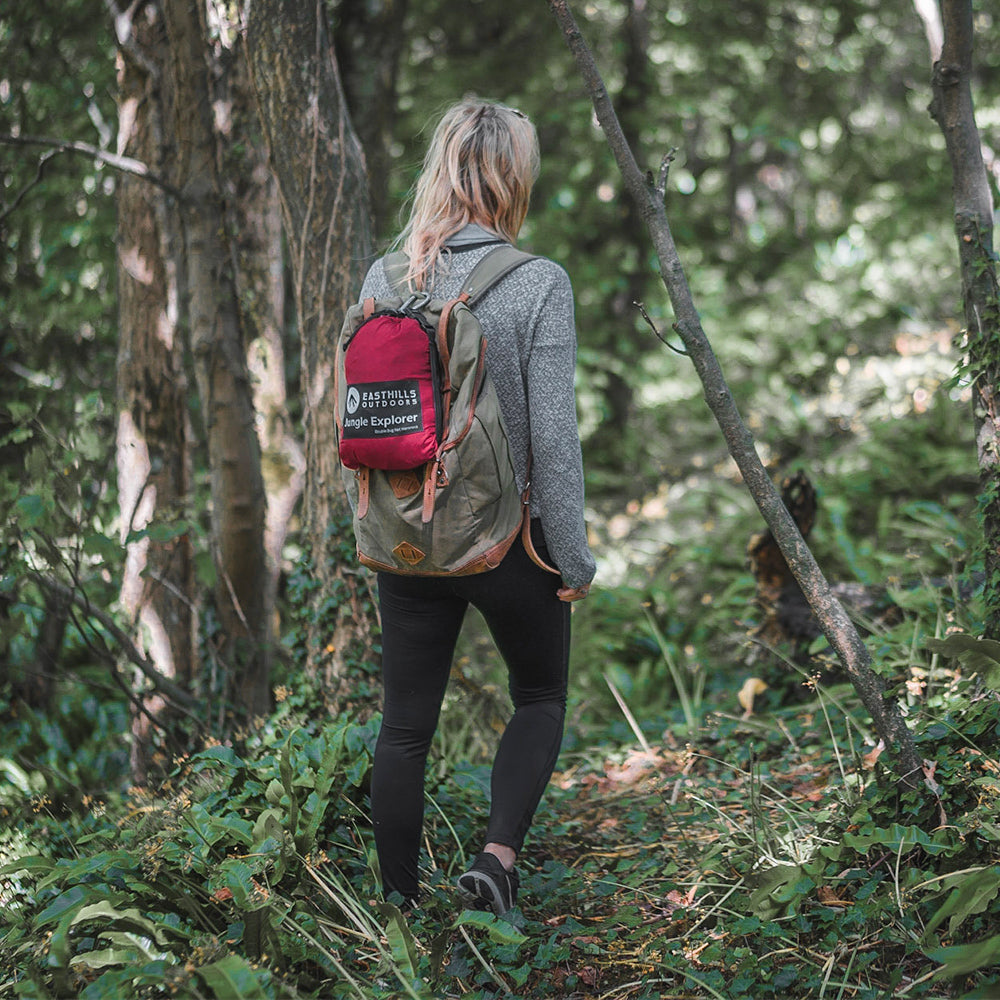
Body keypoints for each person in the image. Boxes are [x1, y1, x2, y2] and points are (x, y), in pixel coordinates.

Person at [359, 97, 596, 914]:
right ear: (511, 179)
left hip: (408, 537)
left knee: (403, 730)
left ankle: (394, 909)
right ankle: (496, 862)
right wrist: (572, 555)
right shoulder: (537, 282)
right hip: (509, 543)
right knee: (539, 696)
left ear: (440, 172)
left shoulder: (384, 278)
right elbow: (556, 441)